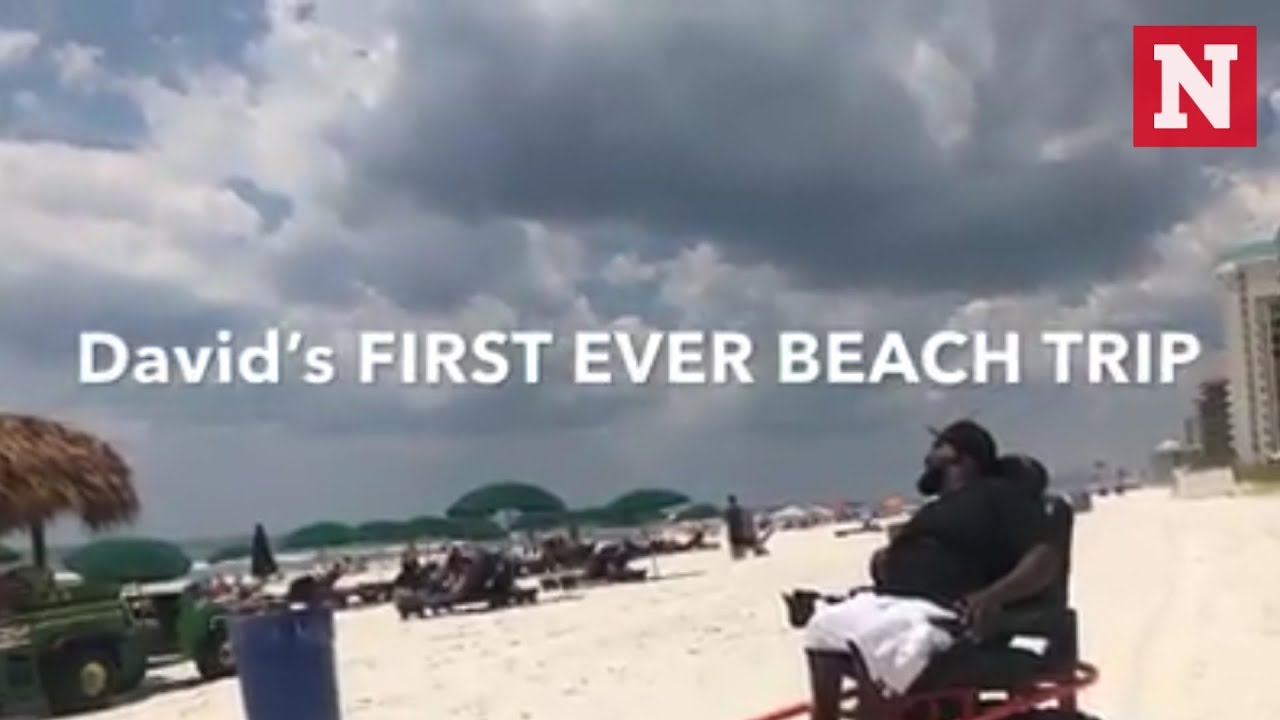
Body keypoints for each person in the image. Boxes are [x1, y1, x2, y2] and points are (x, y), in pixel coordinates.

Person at [803, 420, 1061, 720]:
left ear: (965, 456)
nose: (929, 457)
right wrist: (884, 563)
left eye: (938, 448)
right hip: (893, 602)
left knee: (879, 641)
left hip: (942, 612)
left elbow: (1044, 559)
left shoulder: (999, 495)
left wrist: (991, 596)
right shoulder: (934, 509)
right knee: (823, 627)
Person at [724, 495, 750, 560]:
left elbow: (726, 520)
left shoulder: (728, 510)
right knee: (741, 542)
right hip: (740, 528)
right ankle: (742, 555)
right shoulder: (740, 509)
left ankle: (736, 556)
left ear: (729, 501)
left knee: (734, 543)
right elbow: (744, 518)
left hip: (732, 529)